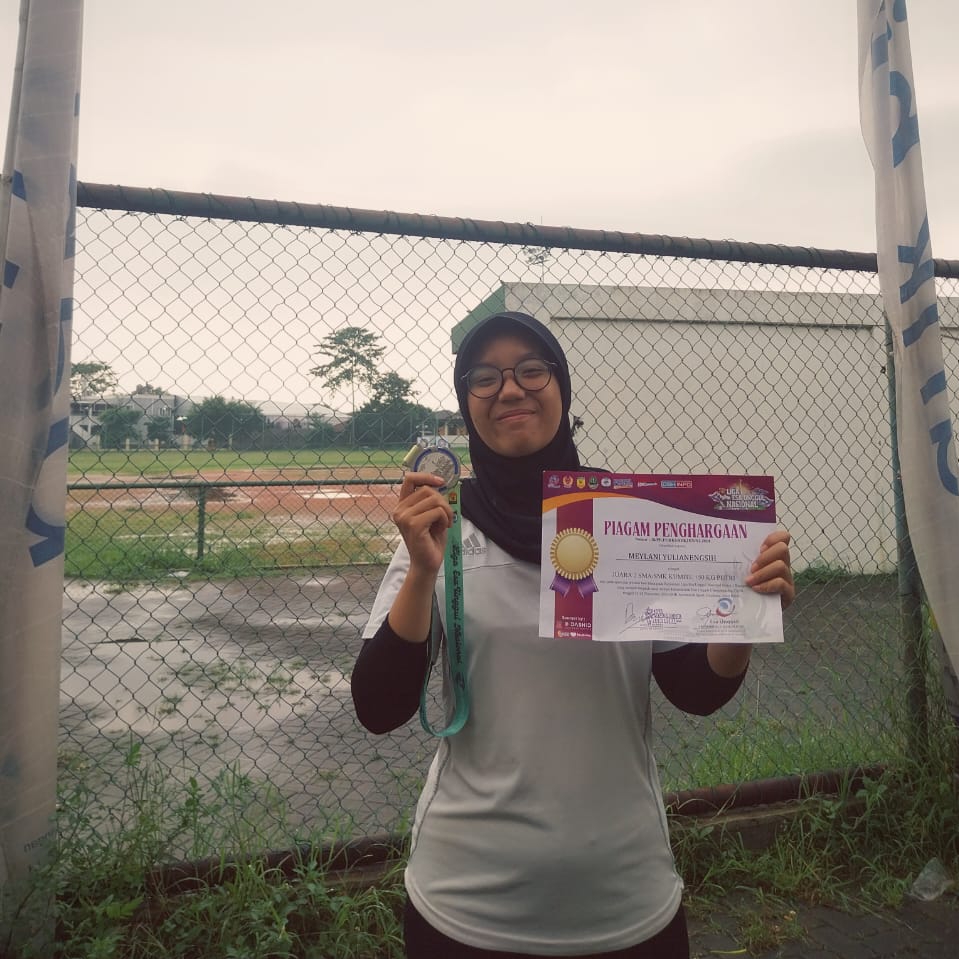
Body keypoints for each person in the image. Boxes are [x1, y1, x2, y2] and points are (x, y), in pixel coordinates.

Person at [351, 311, 795, 959]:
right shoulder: (441, 528)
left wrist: (744, 614)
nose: (510, 388)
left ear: (562, 387)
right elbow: (378, 705)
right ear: (465, 403)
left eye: (532, 369)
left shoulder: (628, 518)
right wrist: (422, 573)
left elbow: (696, 690)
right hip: (465, 904)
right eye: (484, 377)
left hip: (627, 897)